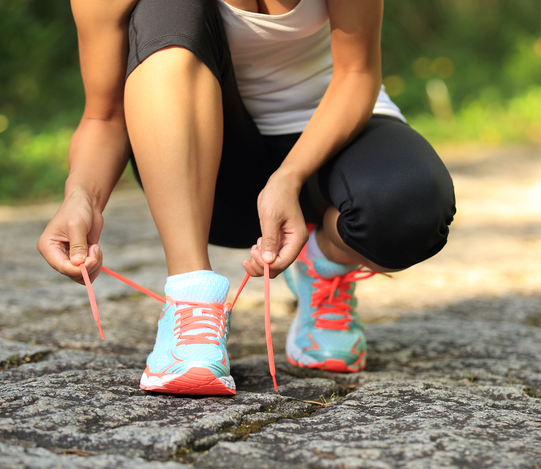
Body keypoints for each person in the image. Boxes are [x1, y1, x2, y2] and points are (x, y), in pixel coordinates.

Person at [37, 0, 456, 396]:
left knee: (410, 210)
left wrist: (289, 178)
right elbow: (104, 115)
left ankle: (325, 262)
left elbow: (357, 73)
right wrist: (81, 196)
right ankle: (191, 298)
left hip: (327, 140)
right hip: (209, 169)